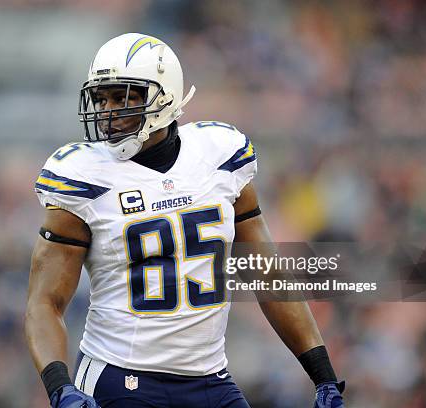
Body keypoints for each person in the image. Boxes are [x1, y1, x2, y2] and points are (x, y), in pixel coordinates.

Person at [25, 33, 345, 408]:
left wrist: (323, 375)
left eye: (123, 97)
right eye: (101, 98)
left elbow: (267, 275)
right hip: (119, 379)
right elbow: (44, 302)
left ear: (164, 96)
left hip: (211, 379)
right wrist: (60, 388)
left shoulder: (220, 156)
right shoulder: (83, 176)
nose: (108, 111)